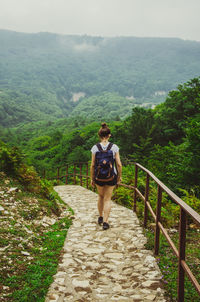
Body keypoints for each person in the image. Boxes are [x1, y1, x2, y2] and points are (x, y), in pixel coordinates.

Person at [90, 123, 122, 230]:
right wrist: (119, 177)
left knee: (100, 196)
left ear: (99, 135)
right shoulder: (114, 147)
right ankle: (106, 222)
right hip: (111, 177)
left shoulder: (95, 148)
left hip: (99, 177)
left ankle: (100, 216)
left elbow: (93, 164)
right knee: (107, 199)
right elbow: (119, 164)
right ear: (109, 135)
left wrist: (92, 178)